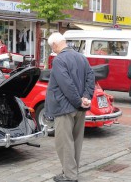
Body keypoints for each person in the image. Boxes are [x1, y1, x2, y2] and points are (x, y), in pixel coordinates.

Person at [45, 32, 95, 182]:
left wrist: (78, 101)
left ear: (54, 45)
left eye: (51, 47)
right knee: (76, 141)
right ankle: (71, 171)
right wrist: (86, 97)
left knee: (64, 142)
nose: (52, 50)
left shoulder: (59, 60)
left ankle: (70, 176)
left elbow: (66, 84)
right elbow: (90, 77)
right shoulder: (81, 57)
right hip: (79, 107)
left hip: (65, 107)